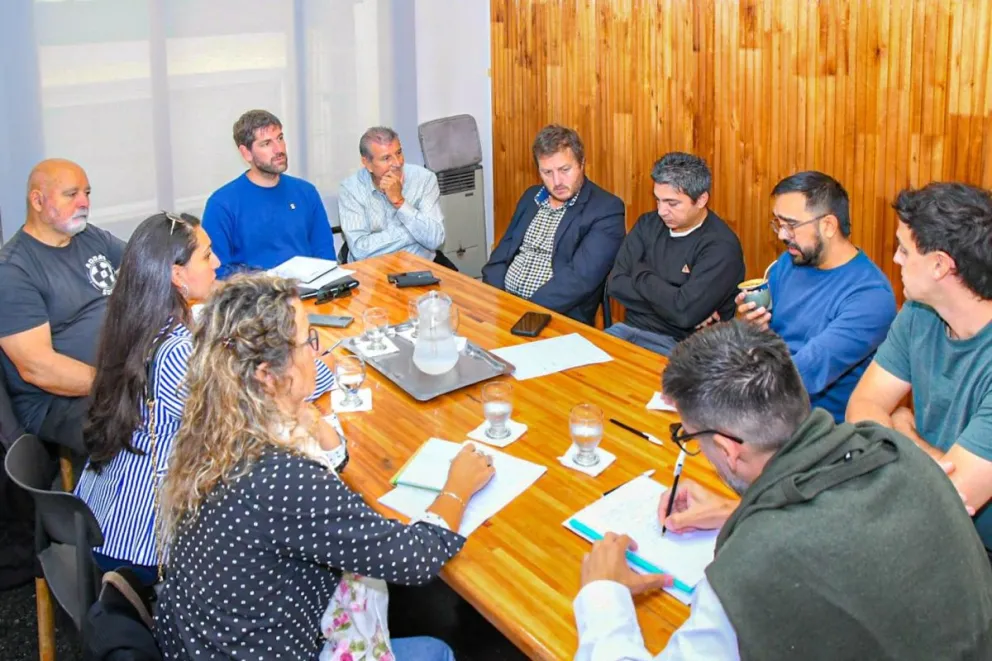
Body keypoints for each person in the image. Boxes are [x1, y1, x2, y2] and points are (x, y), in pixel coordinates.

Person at [574, 321, 992, 660]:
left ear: (727, 448)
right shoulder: (893, 450)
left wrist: (602, 595)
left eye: (692, 440)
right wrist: (738, 509)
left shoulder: (754, 567)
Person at [154, 273, 494, 660]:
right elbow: (415, 559)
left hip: (203, 644)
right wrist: (458, 487)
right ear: (267, 375)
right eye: (307, 342)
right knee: (436, 652)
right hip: (273, 649)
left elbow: (329, 464)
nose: (316, 354)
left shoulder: (220, 432)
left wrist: (306, 414)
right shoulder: (278, 477)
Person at [75, 213, 335, 585]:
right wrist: (317, 365)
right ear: (177, 275)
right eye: (206, 255)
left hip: (104, 508)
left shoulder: (138, 324)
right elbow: (256, 411)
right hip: (142, 543)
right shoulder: (176, 353)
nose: (216, 263)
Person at [847, 182, 992, 557]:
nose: (895, 259)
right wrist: (904, 434)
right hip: (910, 511)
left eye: (904, 249)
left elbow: (952, 498)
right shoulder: (918, 312)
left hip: (975, 551)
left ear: (941, 265)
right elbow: (861, 406)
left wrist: (902, 426)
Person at [737, 171, 896, 422]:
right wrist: (755, 328)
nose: (781, 235)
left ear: (828, 226)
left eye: (791, 225)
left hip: (816, 426)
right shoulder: (789, 262)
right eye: (778, 223)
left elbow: (803, 375)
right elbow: (772, 345)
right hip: (768, 400)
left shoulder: (870, 297)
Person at [0, 158, 125, 454]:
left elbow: (146, 266)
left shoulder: (90, 236)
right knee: (151, 425)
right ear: (38, 200)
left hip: (116, 372)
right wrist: (119, 383)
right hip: (59, 402)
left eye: (87, 193)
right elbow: (38, 368)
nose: (83, 202)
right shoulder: (13, 270)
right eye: (71, 194)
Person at [482, 125, 625, 325]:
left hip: (557, 317)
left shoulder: (605, 209)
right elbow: (500, 257)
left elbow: (579, 279)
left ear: (582, 163)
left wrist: (523, 311)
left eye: (565, 170)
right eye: (547, 172)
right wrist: (498, 300)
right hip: (505, 307)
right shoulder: (531, 197)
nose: (557, 181)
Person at [605, 152, 744, 356]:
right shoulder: (647, 224)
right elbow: (615, 284)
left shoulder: (721, 247)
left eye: (672, 203)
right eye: (658, 200)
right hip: (627, 330)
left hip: (685, 347)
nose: (661, 211)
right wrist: (676, 302)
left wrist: (641, 273)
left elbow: (684, 314)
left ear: (701, 199)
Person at [202, 109, 336, 277]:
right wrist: (268, 281)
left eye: (280, 138)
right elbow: (217, 270)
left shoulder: (306, 192)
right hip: (254, 296)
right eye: (266, 144)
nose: (278, 149)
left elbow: (326, 255)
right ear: (246, 153)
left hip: (311, 293)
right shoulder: (222, 204)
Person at [338, 126, 452, 266]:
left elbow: (435, 239)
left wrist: (400, 202)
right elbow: (360, 251)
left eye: (398, 153)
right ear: (367, 163)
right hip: (372, 271)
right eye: (386, 158)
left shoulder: (424, 179)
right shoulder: (351, 189)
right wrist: (414, 234)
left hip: (418, 267)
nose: (397, 163)